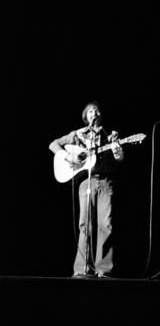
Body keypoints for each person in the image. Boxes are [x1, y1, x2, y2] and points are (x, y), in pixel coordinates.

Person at [49, 101, 124, 278]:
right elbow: (53, 144)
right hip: (85, 182)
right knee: (85, 224)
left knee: (106, 225)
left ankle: (104, 269)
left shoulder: (109, 135)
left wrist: (117, 152)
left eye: (97, 111)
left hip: (105, 182)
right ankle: (82, 268)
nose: (94, 113)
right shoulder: (77, 135)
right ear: (85, 116)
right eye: (90, 111)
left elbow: (119, 160)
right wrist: (67, 155)